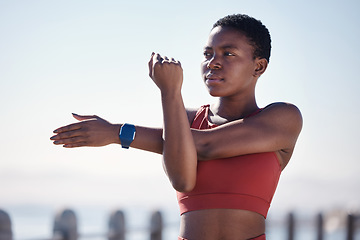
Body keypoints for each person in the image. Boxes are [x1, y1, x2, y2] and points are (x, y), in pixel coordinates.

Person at [50, 14, 302, 240]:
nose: (213, 62)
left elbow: (206, 145)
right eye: (207, 53)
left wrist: (117, 133)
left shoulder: (283, 118)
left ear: (259, 66)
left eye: (228, 53)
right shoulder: (184, 119)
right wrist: (170, 94)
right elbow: (182, 180)